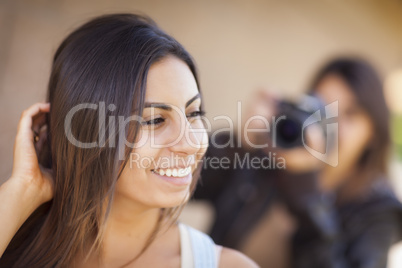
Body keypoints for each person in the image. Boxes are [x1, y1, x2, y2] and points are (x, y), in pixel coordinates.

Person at [0, 14, 258, 268]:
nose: (190, 144)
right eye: (155, 120)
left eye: (194, 114)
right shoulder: (13, 241)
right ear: (86, 132)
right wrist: (23, 190)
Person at [195, 57, 402, 268]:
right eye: (323, 107)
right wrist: (237, 144)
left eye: (350, 114)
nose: (332, 122)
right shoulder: (266, 159)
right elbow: (183, 183)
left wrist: (307, 200)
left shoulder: (378, 214)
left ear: (373, 133)